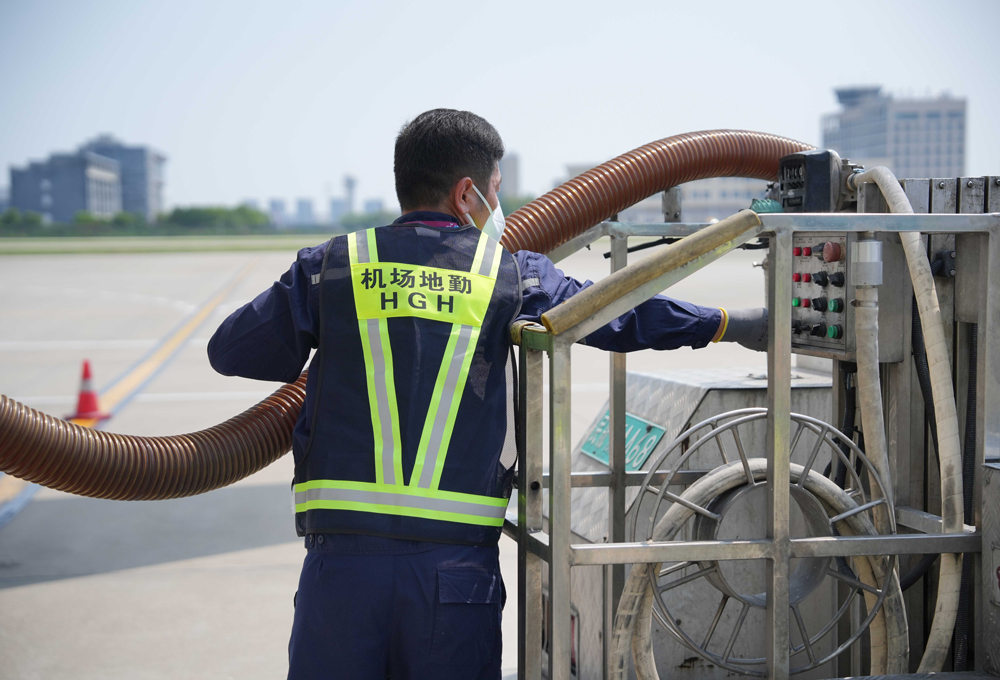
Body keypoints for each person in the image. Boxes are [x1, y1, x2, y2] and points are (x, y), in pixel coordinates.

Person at [207, 109, 768, 680]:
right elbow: (620, 312)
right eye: (496, 192)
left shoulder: (334, 265)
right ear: (468, 194)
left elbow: (231, 351)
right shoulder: (509, 274)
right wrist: (731, 322)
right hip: (455, 576)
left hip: (341, 573)